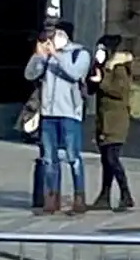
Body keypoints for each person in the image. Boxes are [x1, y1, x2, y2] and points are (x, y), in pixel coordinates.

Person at [26, 23, 93, 215]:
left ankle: (79, 197)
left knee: (73, 157)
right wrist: (39, 56)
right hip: (48, 113)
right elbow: (30, 74)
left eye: (53, 36)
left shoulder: (79, 54)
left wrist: (56, 55)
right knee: (49, 159)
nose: (50, 41)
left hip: (69, 113)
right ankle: (51, 198)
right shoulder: (48, 56)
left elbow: (75, 73)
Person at [89, 31, 140, 213]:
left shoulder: (119, 68)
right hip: (104, 120)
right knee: (105, 160)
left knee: (112, 158)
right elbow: (91, 89)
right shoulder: (104, 66)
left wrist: (102, 81)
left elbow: (119, 91)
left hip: (116, 120)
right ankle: (104, 195)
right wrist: (94, 76)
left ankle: (126, 195)